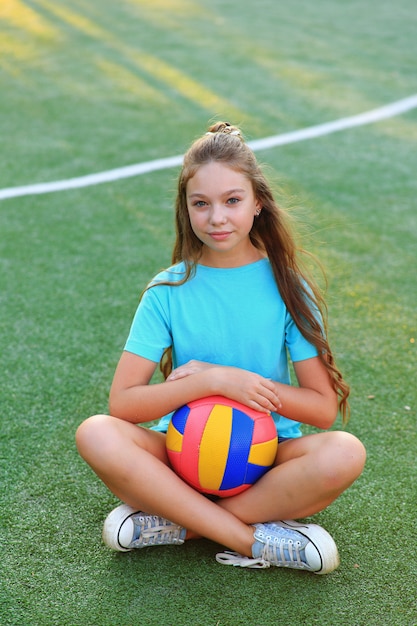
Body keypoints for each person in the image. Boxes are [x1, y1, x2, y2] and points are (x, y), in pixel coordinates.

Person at [76, 121, 366, 574]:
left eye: (232, 200)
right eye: (201, 204)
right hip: (179, 458)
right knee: (95, 432)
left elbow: (321, 409)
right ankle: (250, 539)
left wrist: (242, 385)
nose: (217, 217)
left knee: (345, 452)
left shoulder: (287, 287)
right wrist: (213, 381)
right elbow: (123, 403)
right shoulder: (167, 291)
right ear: (186, 209)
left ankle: (181, 523)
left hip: (265, 464)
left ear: (257, 204)